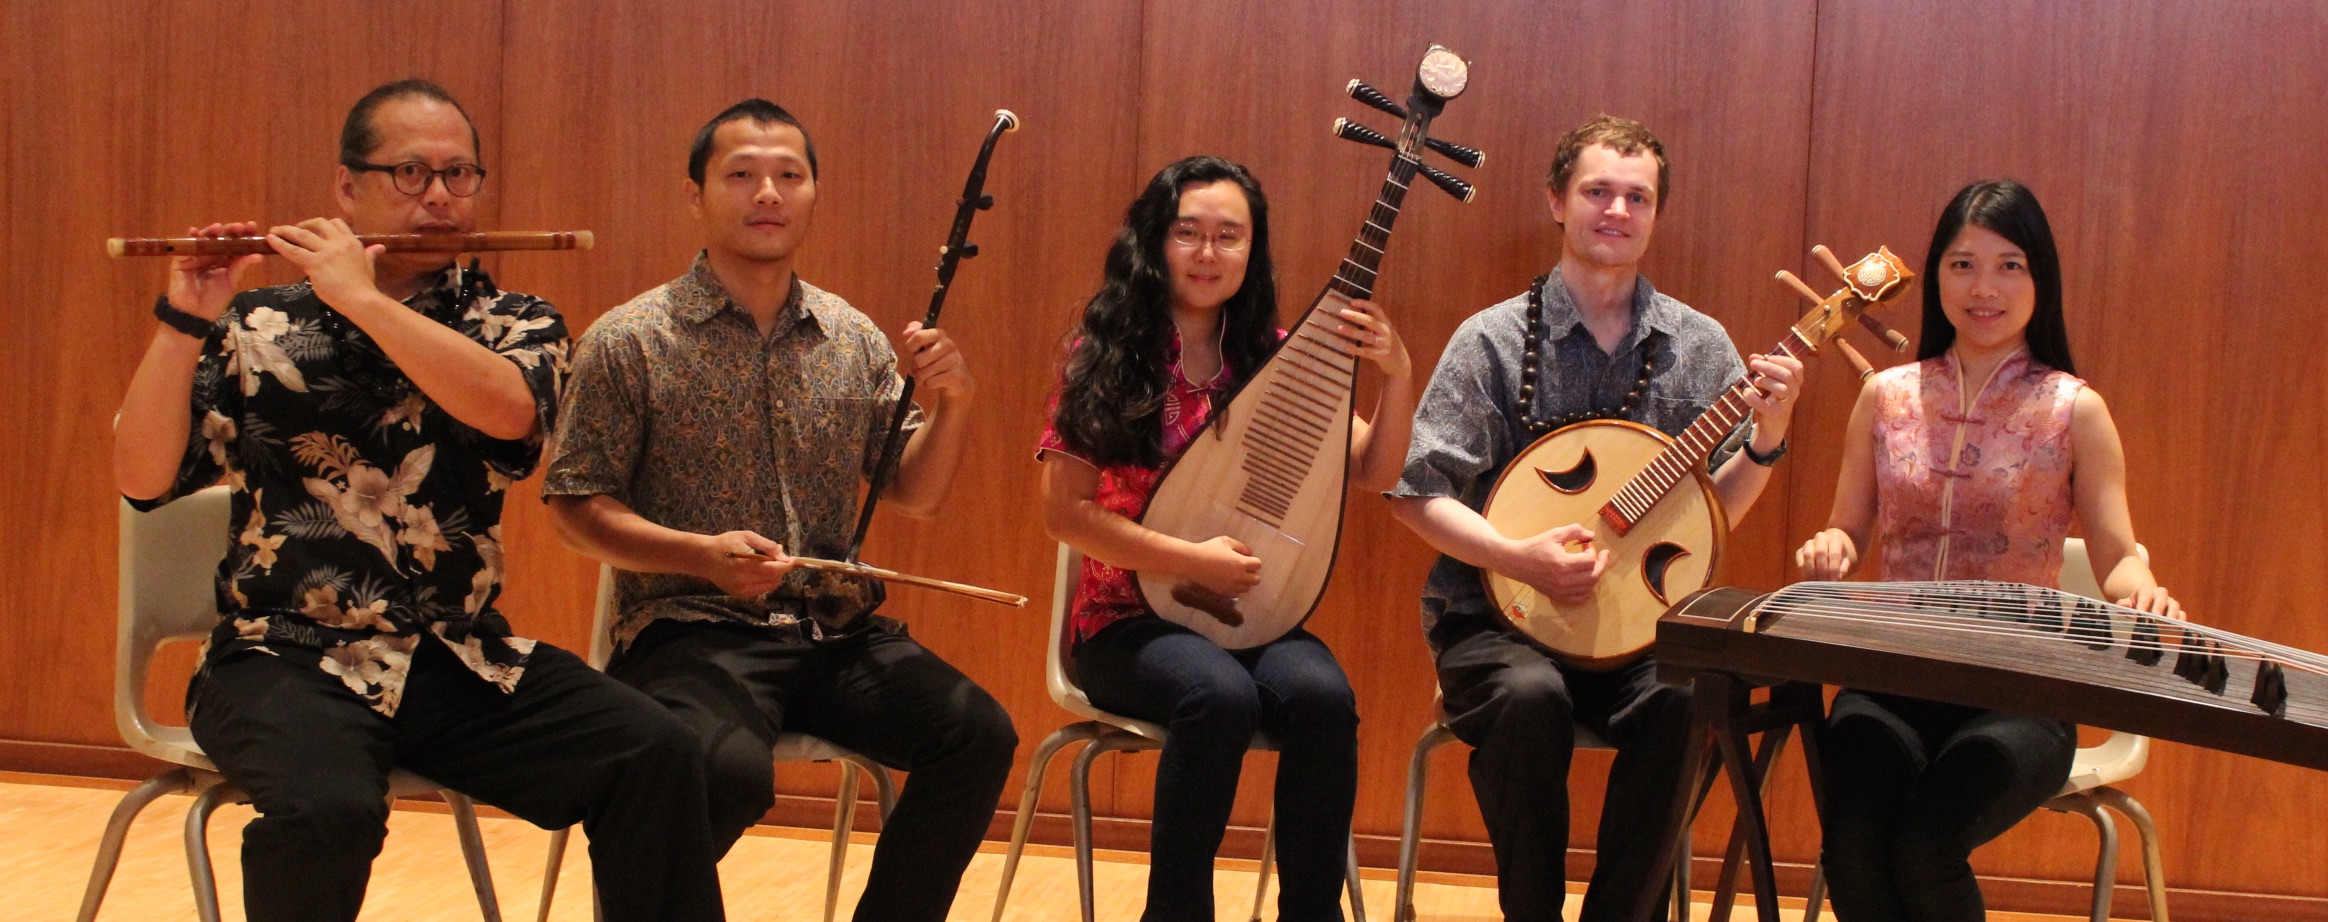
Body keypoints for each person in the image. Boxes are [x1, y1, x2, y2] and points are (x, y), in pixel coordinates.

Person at [110, 79, 723, 922]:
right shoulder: (258, 324)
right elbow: (141, 479)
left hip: (454, 657)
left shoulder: (517, 321)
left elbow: (509, 414)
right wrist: (185, 319)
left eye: (460, 174)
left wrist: (358, 300)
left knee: (656, 752)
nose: (439, 197)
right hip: (279, 659)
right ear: (346, 187)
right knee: (327, 810)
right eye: (409, 173)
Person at [543, 98, 1017, 922]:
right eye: (742, 174)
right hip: (688, 629)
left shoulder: (853, 337)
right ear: (695, 195)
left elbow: (916, 493)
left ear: (812, 195)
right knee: (718, 773)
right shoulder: (631, 338)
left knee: (976, 733)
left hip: (835, 634)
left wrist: (956, 405)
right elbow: (574, 508)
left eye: (788, 176)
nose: (768, 192)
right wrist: (697, 555)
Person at [1385, 115, 1805, 922]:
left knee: (1692, 700)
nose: (1616, 210)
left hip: (1639, 633)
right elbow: (1416, 495)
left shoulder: (1698, 346)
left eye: (1636, 197)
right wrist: (1517, 555)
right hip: (1493, 622)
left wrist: (1770, 437)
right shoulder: (1494, 342)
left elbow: (1709, 521)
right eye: (1597, 191)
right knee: (1527, 698)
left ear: (1655, 214)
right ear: (1556, 201)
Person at [1036, 155, 1417, 921]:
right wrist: (1188, 559)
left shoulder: (1274, 356)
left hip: (1253, 617)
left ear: (1253, 250)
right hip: (1125, 621)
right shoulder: (1106, 355)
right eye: (1188, 234)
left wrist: (1397, 374)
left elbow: (1375, 471)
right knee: (1217, 694)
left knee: (1322, 697)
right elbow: (1063, 513)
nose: (1208, 254)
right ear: (1156, 241)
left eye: (1229, 237)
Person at [1793, 178, 2184, 922]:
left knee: (1924, 846)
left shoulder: (2075, 409)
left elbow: (2118, 554)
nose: (1984, 288)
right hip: (1890, 677)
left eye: (2010, 266)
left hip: (2021, 692)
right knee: (1852, 848)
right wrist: (1831, 547)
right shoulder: (1886, 395)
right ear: (1936, 272)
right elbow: (1847, 527)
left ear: (2041, 279)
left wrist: (2141, 588)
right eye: (1963, 263)